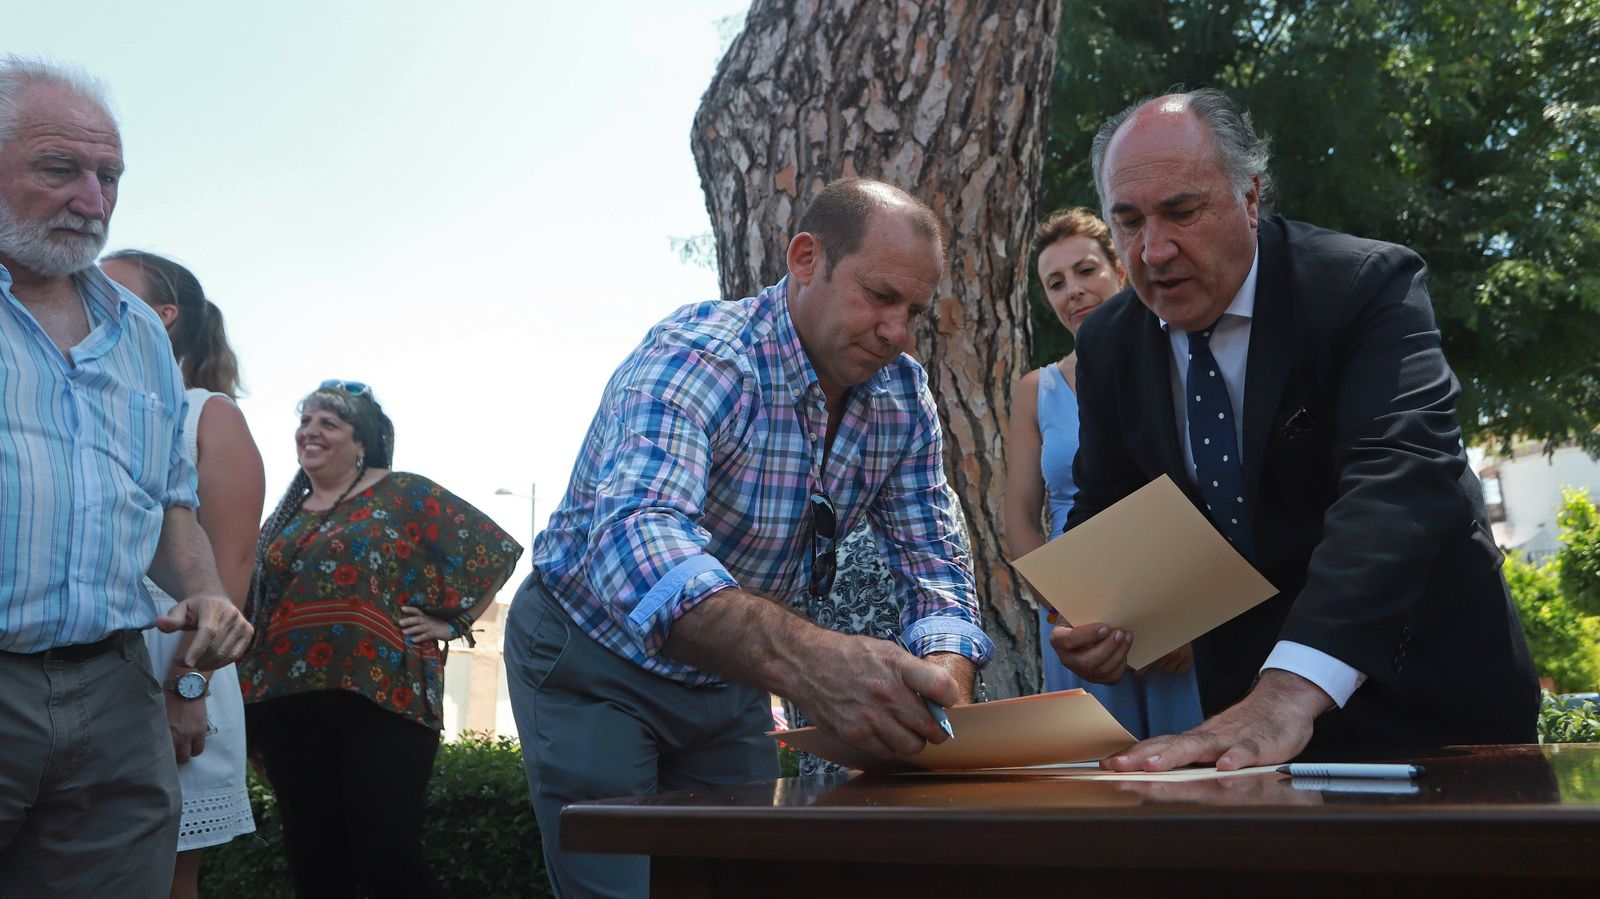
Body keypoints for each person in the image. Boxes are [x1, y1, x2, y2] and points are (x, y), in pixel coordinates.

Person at [505, 177, 992, 897]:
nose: (898, 332)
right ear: (804, 259)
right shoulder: (700, 354)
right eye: (880, 296)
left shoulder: (904, 396)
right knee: (622, 887)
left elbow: (934, 563)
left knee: (739, 880)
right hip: (593, 659)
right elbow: (641, 536)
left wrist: (943, 679)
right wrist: (811, 662)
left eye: (914, 310)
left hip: (733, 675)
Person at [1054, 88, 1539, 772]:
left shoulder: (1366, 287)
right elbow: (1111, 502)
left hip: (1431, 700)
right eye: (1127, 221)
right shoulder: (1108, 341)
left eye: (1181, 212)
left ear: (1250, 197)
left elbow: (1400, 486)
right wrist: (1100, 613)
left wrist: (1291, 689)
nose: (1153, 250)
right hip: (1240, 723)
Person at [0, 57, 253, 897]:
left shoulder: (139, 330)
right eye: (59, 168)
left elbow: (169, 501)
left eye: (108, 176)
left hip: (115, 690)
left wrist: (206, 593)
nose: (93, 200)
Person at [238, 381, 520, 898]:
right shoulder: (283, 517)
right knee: (314, 862)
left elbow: (493, 550)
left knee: (388, 858)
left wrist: (453, 623)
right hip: (286, 706)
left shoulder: (404, 493)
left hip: (386, 698)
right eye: (306, 421)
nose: (310, 431)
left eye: (328, 422)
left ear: (361, 441)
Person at [1002, 208, 1203, 738]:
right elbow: (1020, 518)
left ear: (1119, 267)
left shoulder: (1184, 362)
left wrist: (1190, 616)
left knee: (1197, 769)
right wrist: (1068, 606)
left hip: (1186, 601)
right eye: (1056, 282)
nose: (1074, 291)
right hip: (1079, 615)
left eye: (1086, 270)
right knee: (1096, 774)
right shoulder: (1035, 390)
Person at [102, 250, 265, 899]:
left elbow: (228, 576)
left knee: (163, 880)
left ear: (162, 315)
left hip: (171, 674)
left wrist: (188, 690)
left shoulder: (207, 413)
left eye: (108, 287)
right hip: (80, 675)